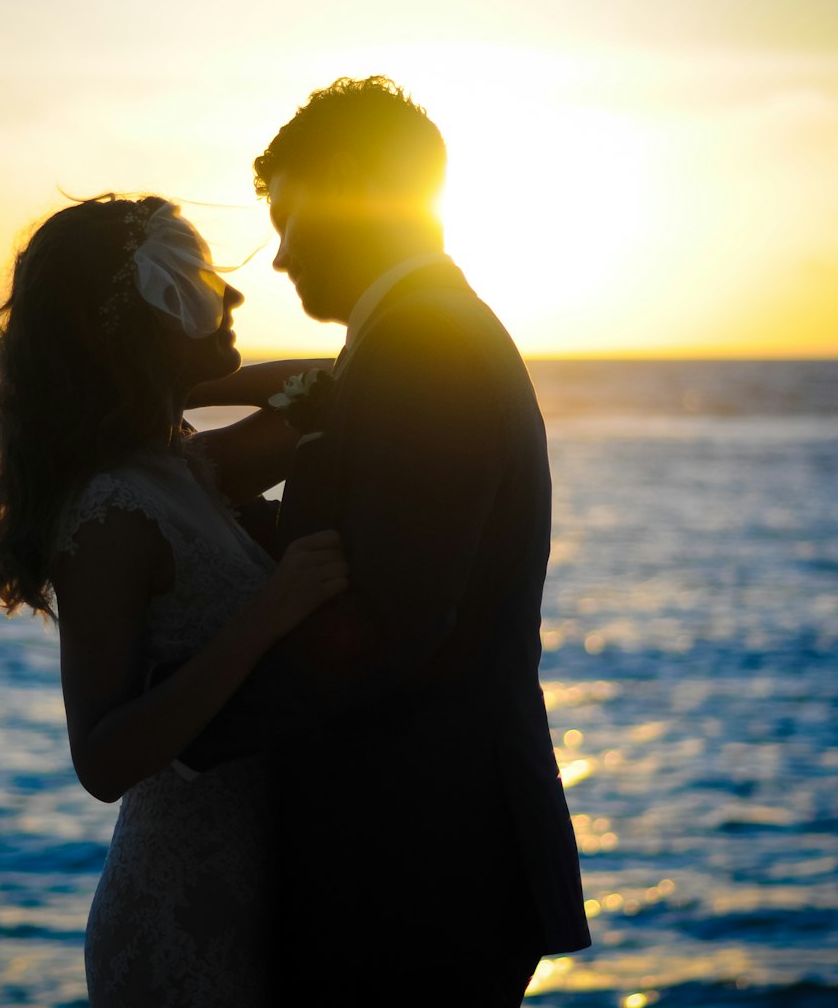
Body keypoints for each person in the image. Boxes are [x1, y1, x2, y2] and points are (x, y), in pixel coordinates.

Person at [180, 77, 592, 1005]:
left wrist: (188, 729)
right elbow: (346, 442)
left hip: (417, 868)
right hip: (428, 858)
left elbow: (386, 627)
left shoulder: (425, 348)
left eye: (287, 219)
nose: (278, 257)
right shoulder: (411, 337)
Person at [0, 194, 348, 1006]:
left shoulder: (180, 468)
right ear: (136, 319)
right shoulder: (110, 511)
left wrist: (184, 376)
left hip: (266, 889)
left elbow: (334, 389)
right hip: (181, 913)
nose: (232, 297)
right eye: (196, 284)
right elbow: (102, 760)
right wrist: (269, 613)